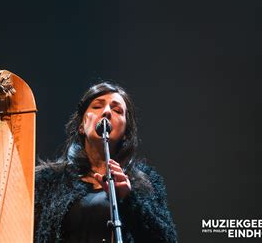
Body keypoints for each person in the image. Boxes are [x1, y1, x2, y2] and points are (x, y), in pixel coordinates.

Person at [34, 81, 178, 242]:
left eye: (117, 110)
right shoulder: (49, 181)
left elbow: (166, 238)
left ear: (126, 133)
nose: (107, 112)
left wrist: (129, 199)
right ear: (81, 125)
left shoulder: (145, 182)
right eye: (97, 107)